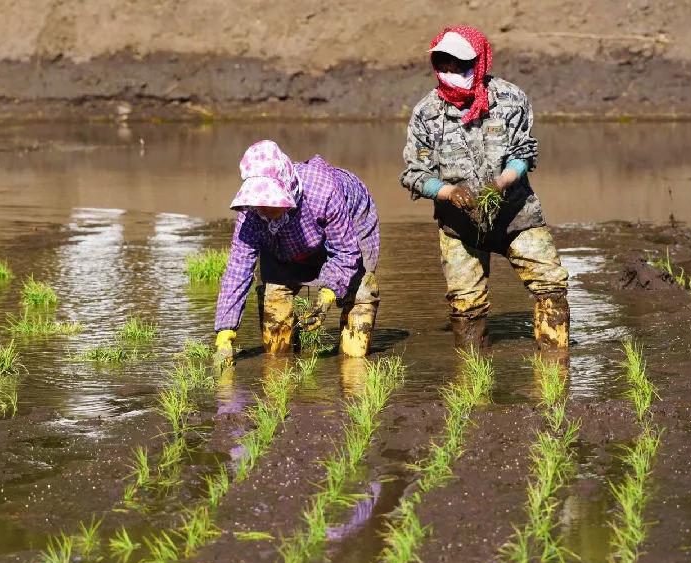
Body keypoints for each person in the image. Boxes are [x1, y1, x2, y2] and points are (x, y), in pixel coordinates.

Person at [401, 25, 570, 349]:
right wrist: (448, 192)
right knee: (466, 305)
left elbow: (524, 153)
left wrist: (502, 182)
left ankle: (555, 370)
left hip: (516, 216)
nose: (450, 71)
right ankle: (472, 380)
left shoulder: (509, 99)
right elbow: (413, 174)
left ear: (478, 63)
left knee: (551, 287)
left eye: (459, 64)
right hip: (459, 226)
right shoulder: (427, 113)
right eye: (442, 63)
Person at [213, 140, 380, 365]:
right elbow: (237, 269)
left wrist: (327, 296)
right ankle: (280, 369)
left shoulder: (324, 192)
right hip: (287, 244)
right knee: (275, 311)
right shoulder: (251, 212)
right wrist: (225, 333)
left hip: (350, 223)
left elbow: (345, 251)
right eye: (259, 203)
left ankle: (353, 374)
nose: (265, 208)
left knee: (360, 294)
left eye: (271, 202)